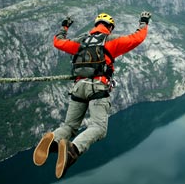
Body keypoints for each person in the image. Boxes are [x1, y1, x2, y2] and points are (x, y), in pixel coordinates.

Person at [33, 11, 151, 178]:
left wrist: (64, 27)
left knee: (69, 126)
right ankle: (72, 150)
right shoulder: (110, 41)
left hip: (78, 87)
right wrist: (143, 22)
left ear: (96, 25)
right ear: (109, 27)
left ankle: (54, 139)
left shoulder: (81, 41)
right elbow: (137, 38)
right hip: (97, 87)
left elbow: (58, 42)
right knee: (98, 128)